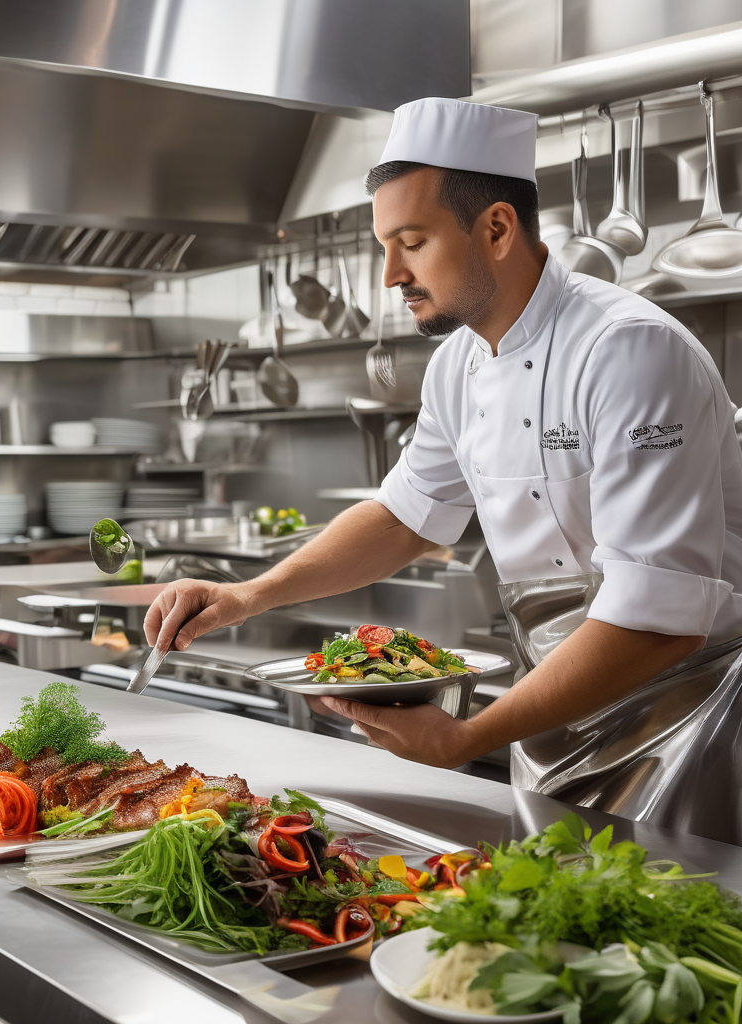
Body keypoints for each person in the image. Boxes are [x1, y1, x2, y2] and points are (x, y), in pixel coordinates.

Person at [142, 96, 742, 804]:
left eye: (412, 241)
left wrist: (469, 737)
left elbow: (656, 619)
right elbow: (405, 516)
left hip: (693, 719)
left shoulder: (629, 351)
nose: (391, 273)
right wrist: (247, 595)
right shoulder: (459, 364)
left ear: (495, 228)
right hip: (553, 712)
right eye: (384, 245)